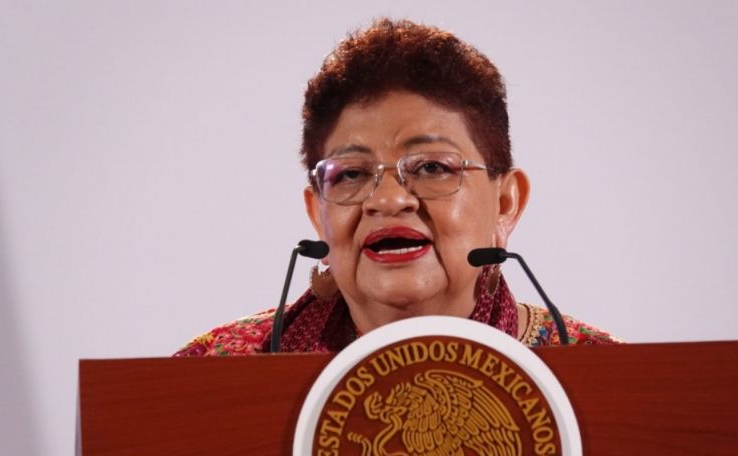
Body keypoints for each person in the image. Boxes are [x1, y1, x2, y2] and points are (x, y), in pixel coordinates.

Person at [175, 19, 616, 356]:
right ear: (318, 215)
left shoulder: (608, 378)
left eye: (430, 167)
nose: (387, 200)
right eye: (350, 175)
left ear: (505, 203)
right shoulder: (210, 374)